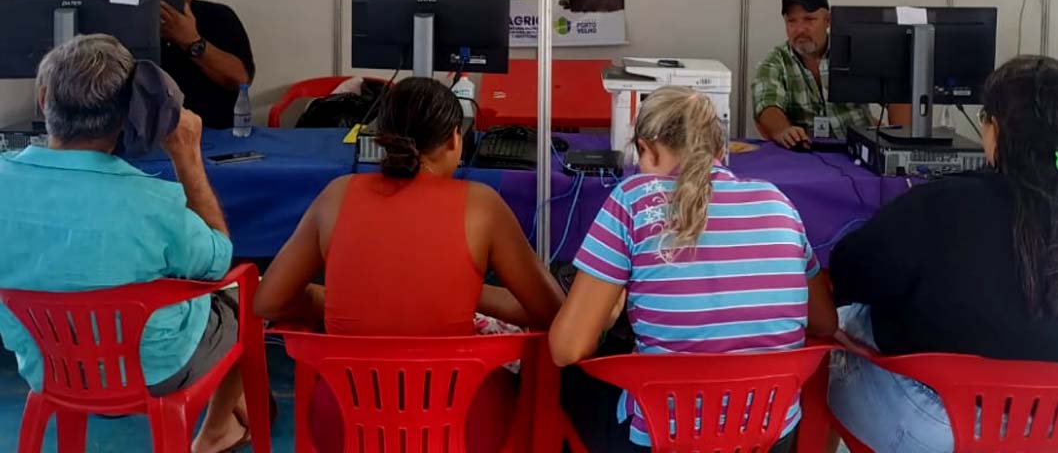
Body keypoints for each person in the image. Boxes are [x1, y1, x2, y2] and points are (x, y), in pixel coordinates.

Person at [827, 56, 1058, 453]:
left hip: (933, 427)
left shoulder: (938, 206)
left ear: (994, 130)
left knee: (843, 318)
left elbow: (848, 276)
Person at [253, 77, 563, 453]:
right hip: (461, 426)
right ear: (454, 139)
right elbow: (550, 311)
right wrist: (459, 293)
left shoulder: (337, 195)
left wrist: (324, 299)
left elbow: (268, 301)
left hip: (344, 425)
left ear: (381, 136)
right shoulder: (482, 206)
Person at [550, 85, 837, 452]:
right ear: (721, 150)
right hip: (768, 437)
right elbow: (825, 323)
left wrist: (610, 313)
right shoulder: (778, 203)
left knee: (568, 379)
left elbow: (566, 348)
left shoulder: (633, 199)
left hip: (664, 439)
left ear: (646, 148)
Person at [0, 35, 252, 453]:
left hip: (47, 368)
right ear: (130, 115)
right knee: (243, 295)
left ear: (44, 99)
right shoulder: (154, 202)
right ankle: (218, 430)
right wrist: (187, 157)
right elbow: (216, 260)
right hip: (153, 371)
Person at [753, 0, 908, 148]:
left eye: (809, 19)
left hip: (858, 150)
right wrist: (783, 130)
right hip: (807, 155)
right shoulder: (775, 62)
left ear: (828, 20)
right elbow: (766, 105)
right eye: (792, 21)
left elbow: (898, 95)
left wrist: (901, 142)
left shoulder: (856, 51)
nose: (800, 29)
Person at [143, 0, 255, 129]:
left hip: (214, 129)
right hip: (151, 131)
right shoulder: (136, 22)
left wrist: (191, 41)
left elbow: (240, 80)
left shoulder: (218, 17)